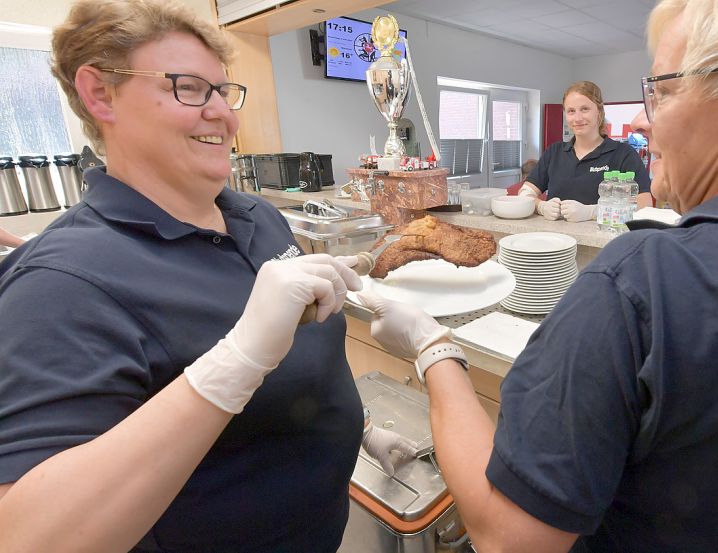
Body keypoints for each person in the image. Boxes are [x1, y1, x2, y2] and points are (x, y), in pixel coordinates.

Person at [355, 1, 718, 552]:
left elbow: (509, 537)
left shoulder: (643, 285)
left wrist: (433, 350)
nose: (645, 123)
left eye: (665, 90)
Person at [0, 1, 412, 551]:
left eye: (223, 91)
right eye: (188, 88)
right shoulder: (59, 283)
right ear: (100, 94)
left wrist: (358, 431)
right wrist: (236, 359)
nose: (223, 114)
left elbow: (291, 378)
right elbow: (31, 537)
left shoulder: (256, 216)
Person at [517, 81, 652, 222]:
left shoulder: (623, 154)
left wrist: (593, 212)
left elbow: (644, 204)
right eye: (571, 111)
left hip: (601, 239)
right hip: (555, 240)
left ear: (599, 111)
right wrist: (541, 206)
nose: (578, 118)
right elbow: (525, 194)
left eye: (585, 109)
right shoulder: (554, 152)